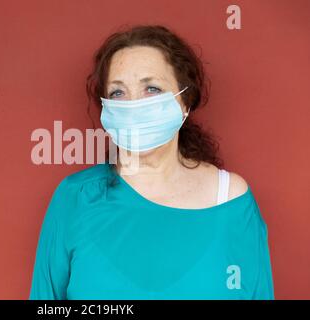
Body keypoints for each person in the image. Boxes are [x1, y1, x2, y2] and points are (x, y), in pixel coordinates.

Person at [29, 24, 274, 300]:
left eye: (152, 88)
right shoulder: (76, 198)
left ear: (184, 101)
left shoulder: (231, 200)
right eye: (118, 93)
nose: (134, 105)